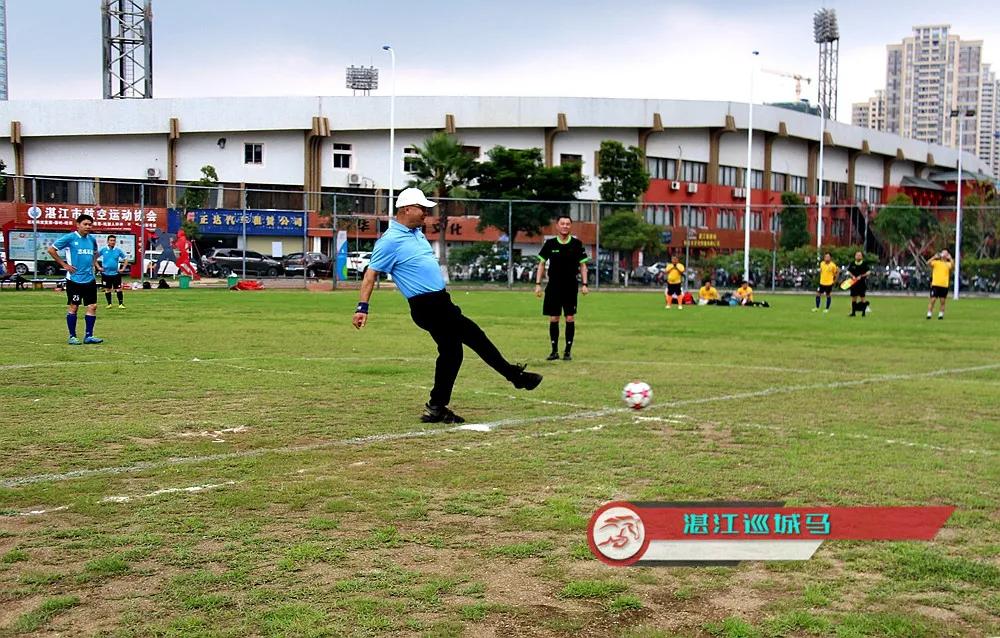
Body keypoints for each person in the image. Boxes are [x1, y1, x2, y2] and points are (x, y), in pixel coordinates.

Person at [352, 188, 542, 424]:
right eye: (422, 209)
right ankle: (514, 377)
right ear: (406, 209)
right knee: (472, 338)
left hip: (441, 302)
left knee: (453, 352)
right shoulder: (389, 241)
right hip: (426, 306)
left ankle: (437, 407)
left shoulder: (416, 233)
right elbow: (370, 275)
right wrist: (362, 308)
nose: (425, 213)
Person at [535, 214, 589, 361]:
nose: (565, 226)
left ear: (570, 226)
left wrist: (585, 284)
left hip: (570, 286)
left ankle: (567, 351)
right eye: (562, 223)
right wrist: (538, 284)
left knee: (570, 318)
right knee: (554, 318)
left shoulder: (577, 244)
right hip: (553, 287)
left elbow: (583, 265)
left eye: (567, 224)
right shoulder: (550, 244)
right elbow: (541, 264)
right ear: (557, 226)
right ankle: (554, 351)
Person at [47, 214, 103, 345]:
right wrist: (64, 265)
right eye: (85, 224)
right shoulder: (70, 238)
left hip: (89, 279)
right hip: (74, 280)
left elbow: (95, 253)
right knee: (74, 307)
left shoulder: (91, 240)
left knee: (93, 306)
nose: (88, 227)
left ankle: (89, 336)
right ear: (78, 225)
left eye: (90, 224)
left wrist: (94, 265)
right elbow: (51, 250)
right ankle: (72, 336)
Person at [98, 234, 129, 309]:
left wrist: (123, 269)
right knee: (107, 289)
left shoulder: (118, 250)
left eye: (114, 241)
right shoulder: (103, 250)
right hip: (106, 274)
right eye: (111, 240)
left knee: (118, 288)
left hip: (116, 274)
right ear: (107, 241)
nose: (112, 242)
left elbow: (126, 259)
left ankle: (121, 304)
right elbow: (94, 258)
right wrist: (98, 267)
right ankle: (109, 304)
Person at [926, 250, 953, 320]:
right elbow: (928, 263)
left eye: (946, 253)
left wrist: (950, 258)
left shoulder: (948, 264)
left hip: (944, 285)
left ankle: (941, 314)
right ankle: (929, 313)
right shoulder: (936, 263)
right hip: (935, 284)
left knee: (942, 301)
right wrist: (934, 257)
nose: (944, 254)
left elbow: (953, 266)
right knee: (933, 300)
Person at [846, 251, 870, 317]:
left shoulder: (864, 264)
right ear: (855, 256)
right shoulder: (852, 263)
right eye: (857, 255)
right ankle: (853, 313)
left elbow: (868, 272)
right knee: (854, 298)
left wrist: (861, 276)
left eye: (859, 255)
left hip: (862, 283)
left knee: (862, 298)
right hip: (854, 283)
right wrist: (852, 276)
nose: (858, 256)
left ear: (862, 256)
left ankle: (863, 313)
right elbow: (849, 271)